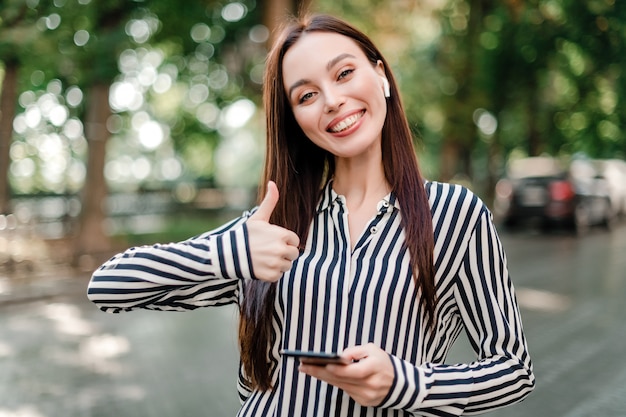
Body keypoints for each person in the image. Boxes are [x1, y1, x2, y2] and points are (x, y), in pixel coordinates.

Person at [87, 13, 535, 416]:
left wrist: (407, 384)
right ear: (296, 120)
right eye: (306, 96)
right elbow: (107, 287)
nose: (333, 101)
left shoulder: (454, 215)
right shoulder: (271, 227)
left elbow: (514, 369)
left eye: (344, 73)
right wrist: (224, 253)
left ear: (380, 76)